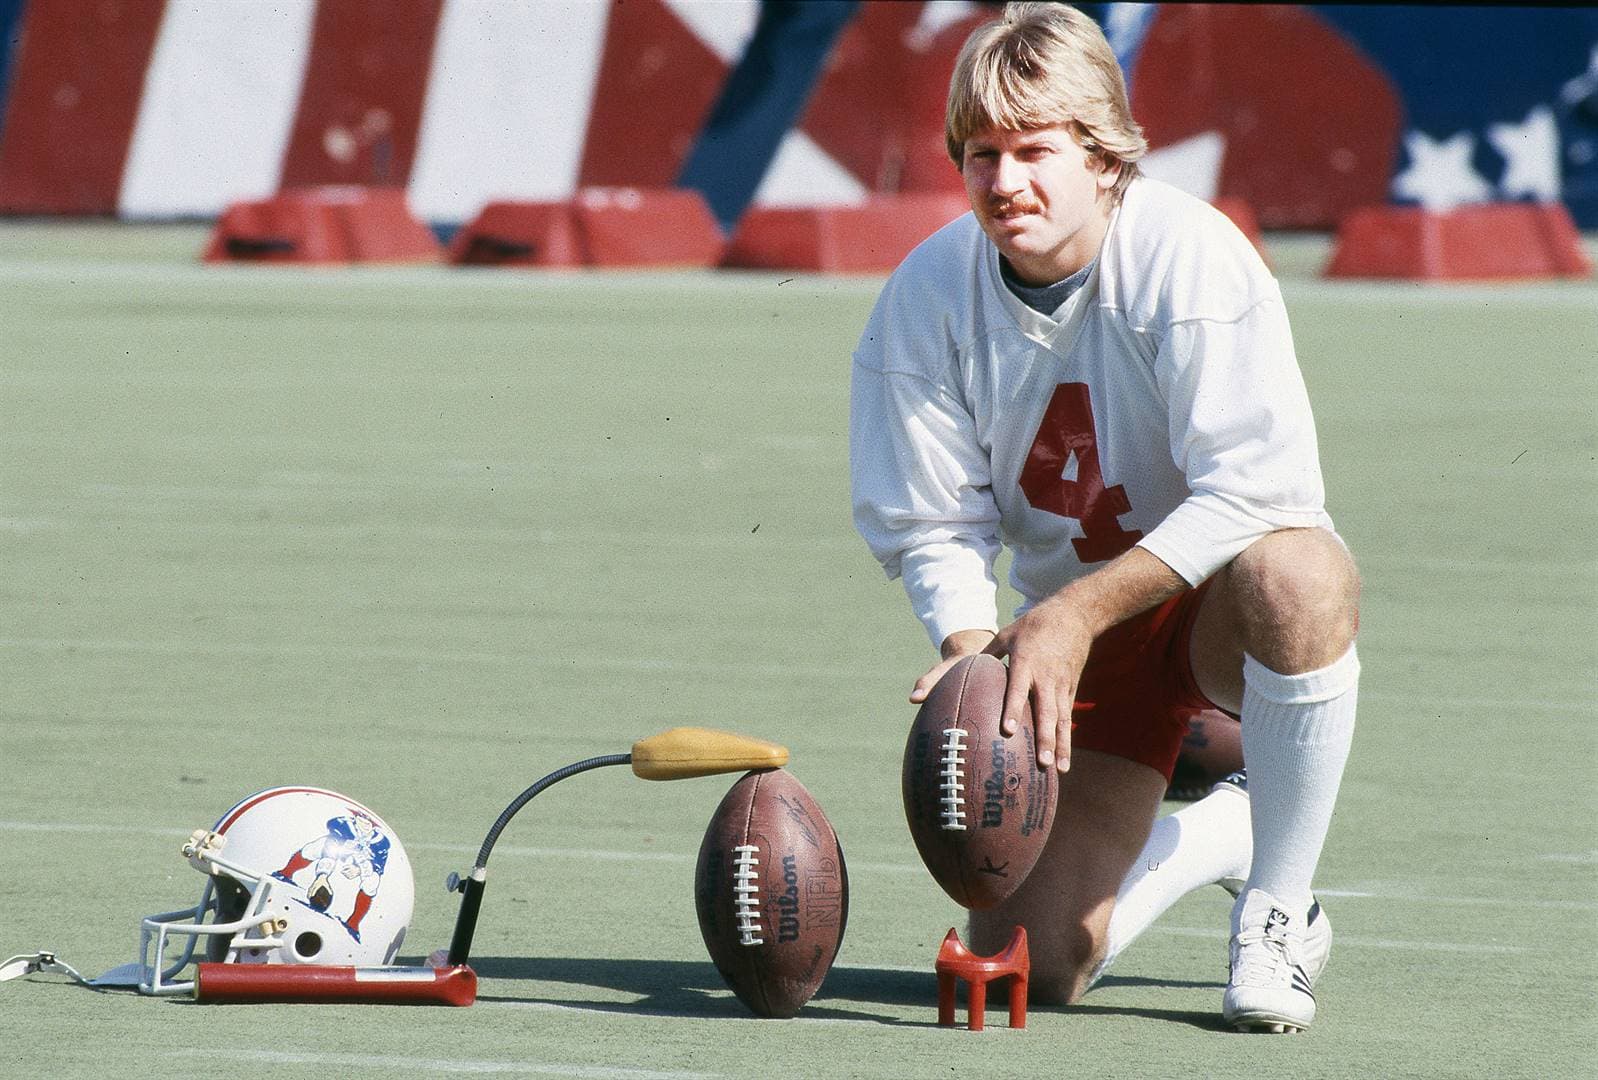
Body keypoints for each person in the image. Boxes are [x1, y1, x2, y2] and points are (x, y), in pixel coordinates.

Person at [850, 2, 1360, 1033]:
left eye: (1034, 151)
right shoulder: (927, 291)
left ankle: (1275, 904)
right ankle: (1222, 832)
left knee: (1297, 572)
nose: (1004, 183)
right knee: (1034, 971)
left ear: (1105, 157)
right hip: (1074, 637)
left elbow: (1258, 491)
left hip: (1206, 604)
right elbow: (928, 521)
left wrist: (1074, 615)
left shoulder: (1188, 256)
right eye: (980, 155)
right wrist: (968, 649)